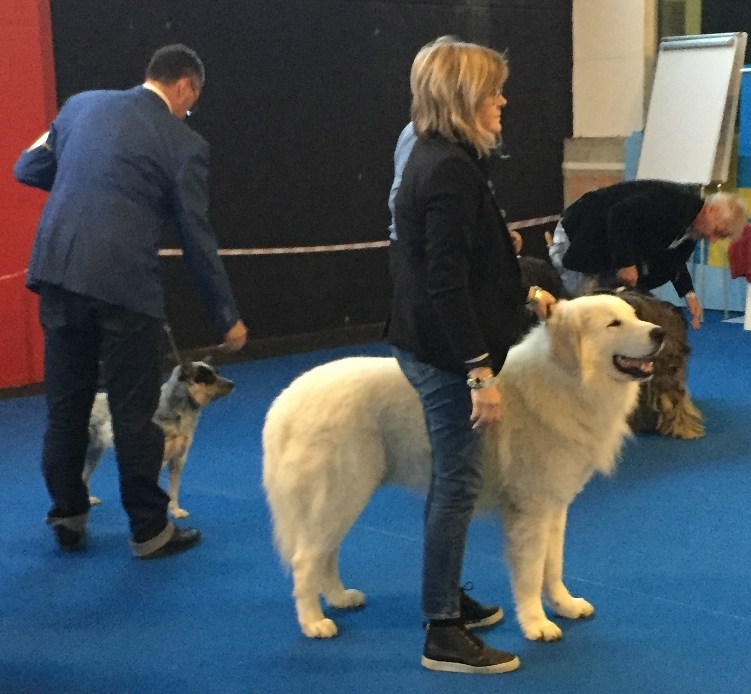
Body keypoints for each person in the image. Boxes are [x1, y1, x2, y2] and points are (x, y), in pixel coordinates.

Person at [13, 44, 248, 559]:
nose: (189, 111)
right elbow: (196, 237)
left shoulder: (80, 106)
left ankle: (67, 515)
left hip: (57, 270)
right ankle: (149, 531)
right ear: (185, 86)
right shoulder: (184, 143)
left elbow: (25, 168)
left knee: (65, 406)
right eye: (193, 101)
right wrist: (226, 316)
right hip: (125, 285)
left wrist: (89, 184)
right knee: (136, 413)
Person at [386, 37, 554, 675]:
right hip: (444, 353)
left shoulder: (445, 157)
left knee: (453, 482)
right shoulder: (449, 169)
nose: (503, 101)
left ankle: (446, 595)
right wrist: (479, 372)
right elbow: (444, 282)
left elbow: (465, 263)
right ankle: (442, 630)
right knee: (457, 484)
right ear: (462, 98)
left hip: (434, 343)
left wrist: (522, 291)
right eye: (493, 92)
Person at [548, 180, 749, 328]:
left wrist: (689, 294)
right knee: (580, 312)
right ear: (710, 210)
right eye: (717, 232)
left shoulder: (692, 227)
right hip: (578, 236)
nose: (712, 240)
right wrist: (626, 264)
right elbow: (619, 215)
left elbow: (673, 260)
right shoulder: (675, 204)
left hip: (603, 252)